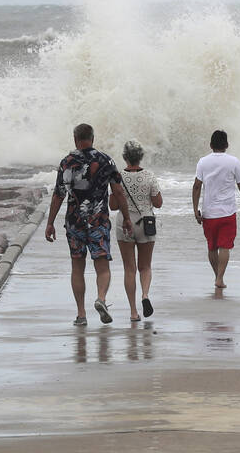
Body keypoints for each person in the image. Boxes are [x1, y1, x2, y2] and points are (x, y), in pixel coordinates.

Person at [45, 123, 133, 326]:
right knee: (102, 267)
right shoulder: (105, 160)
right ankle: (101, 298)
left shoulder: (66, 162)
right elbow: (118, 192)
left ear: (75, 140)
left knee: (77, 267)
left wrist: (50, 223)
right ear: (92, 139)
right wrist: (127, 218)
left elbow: (58, 195)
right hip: (98, 222)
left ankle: (81, 314)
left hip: (74, 223)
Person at [192, 129, 240, 289]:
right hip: (227, 212)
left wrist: (195, 210)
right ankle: (220, 277)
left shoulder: (203, 162)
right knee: (225, 246)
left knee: (212, 246)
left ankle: (217, 276)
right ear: (227, 145)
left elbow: (196, 186)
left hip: (208, 212)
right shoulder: (233, 161)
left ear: (210, 145)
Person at [115, 139, 162, 321]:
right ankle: (145, 295)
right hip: (146, 223)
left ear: (125, 157)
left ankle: (134, 312)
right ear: (141, 157)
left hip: (124, 223)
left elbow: (112, 205)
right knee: (145, 266)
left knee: (129, 269)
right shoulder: (149, 176)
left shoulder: (118, 176)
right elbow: (158, 203)